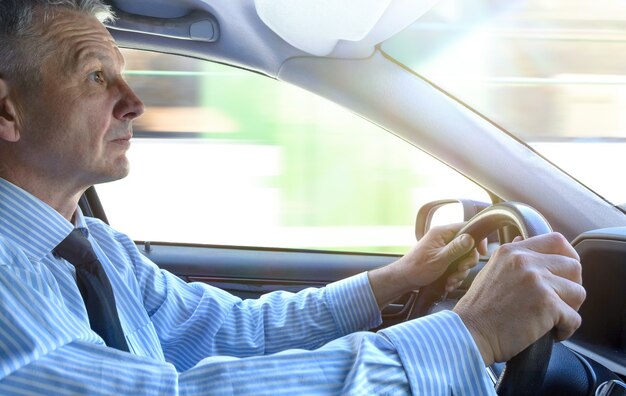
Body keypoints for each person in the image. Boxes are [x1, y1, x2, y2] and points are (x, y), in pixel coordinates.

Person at [0, 1, 585, 394]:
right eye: (96, 77)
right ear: (8, 110)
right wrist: (471, 335)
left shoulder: (94, 246)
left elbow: (230, 329)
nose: (133, 102)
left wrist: (399, 278)